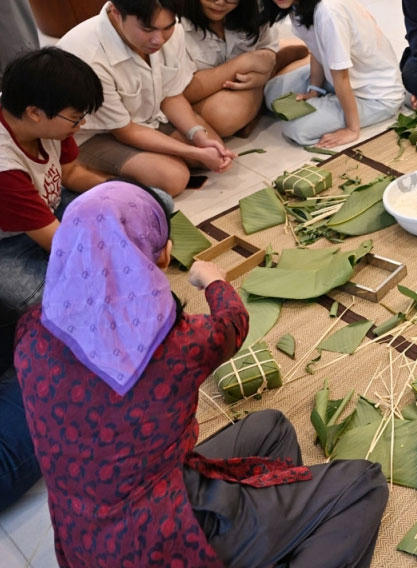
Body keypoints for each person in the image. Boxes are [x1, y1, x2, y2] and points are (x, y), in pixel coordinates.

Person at [14, 181, 389, 567]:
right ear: (152, 255)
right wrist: (215, 280)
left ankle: (275, 542)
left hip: (87, 538)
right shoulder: (171, 345)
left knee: (272, 428)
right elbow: (233, 325)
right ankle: (246, 542)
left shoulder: (32, 333)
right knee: (363, 483)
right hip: (169, 536)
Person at [0, 48, 106, 514]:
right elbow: (57, 244)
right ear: (34, 113)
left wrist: (123, 200)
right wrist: (117, 267)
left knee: (149, 200)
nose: (78, 125)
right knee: (59, 307)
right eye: (73, 117)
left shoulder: (49, 127)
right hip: (10, 241)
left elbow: (70, 175)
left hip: (44, 217)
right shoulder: (4, 167)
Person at [57, 0, 236, 196]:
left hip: (145, 119)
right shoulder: (90, 57)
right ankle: (84, 176)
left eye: (167, 27)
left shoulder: (173, 31)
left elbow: (171, 96)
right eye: (148, 29)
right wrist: (194, 152)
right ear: (116, 13)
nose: (159, 39)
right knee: (174, 178)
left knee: (212, 146)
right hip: (95, 135)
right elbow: (125, 131)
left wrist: (199, 138)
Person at [255, 0, 404, 147]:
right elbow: (316, 49)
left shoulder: (328, 11)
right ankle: (327, 102)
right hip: (337, 79)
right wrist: (315, 90)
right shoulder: (297, 0)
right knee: (271, 91)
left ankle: (336, 109)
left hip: (374, 95)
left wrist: (352, 130)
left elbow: (341, 76)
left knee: (296, 130)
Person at [178, 0, 309, 137]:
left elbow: (267, 47)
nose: (221, 2)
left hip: (239, 84)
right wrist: (245, 62)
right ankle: (264, 91)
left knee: (224, 115)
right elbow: (183, 91)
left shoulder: (251, 2)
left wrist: (265, 63)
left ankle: (268, 77)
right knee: (219, 118)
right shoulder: (174, 21)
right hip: (196, 91)